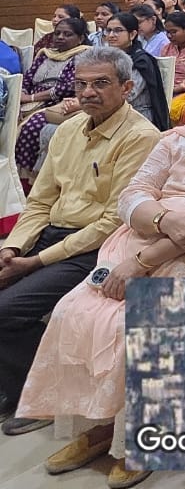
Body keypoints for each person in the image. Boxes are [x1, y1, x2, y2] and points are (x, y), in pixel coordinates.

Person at [11, 59, 185, 483]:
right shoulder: (175, 137)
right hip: (142, 239)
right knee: (73, 313)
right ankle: (100, 424)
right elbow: (130, 196)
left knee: (142, 326)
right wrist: (163, 219)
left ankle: (146, 436)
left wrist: (141, 261)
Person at [0, 48, 161, 428]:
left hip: (95, 249)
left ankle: (38, 397)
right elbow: (40, 200)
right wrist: (12, 247)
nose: (88, 92)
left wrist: (34, 262)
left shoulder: (141, 137)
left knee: (6, 309)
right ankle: (13, 380)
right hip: (48, 236)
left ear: (127, 88)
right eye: (81, 84)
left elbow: (111, 222)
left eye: (100, 83)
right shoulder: (69, 129)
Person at [15, 17, 92, 182]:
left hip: (58, 103)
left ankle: (29, 179)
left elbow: (68, 86)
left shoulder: (83, 56)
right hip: (29, 101)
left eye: (67, 34)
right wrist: (22, 94)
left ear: (80, 38)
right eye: (57, 33)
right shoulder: (45, 54)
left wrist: (31, 98)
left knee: (32, 126)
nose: (60, 37)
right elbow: (27, 77)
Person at [99, 13, 169, 133]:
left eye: (118, 30)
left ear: (132, 34)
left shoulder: (140, 61)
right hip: (110, 110)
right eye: (108, 30)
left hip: (137, 116)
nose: (111, 35)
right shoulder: (108, 58)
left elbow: (129, 95)